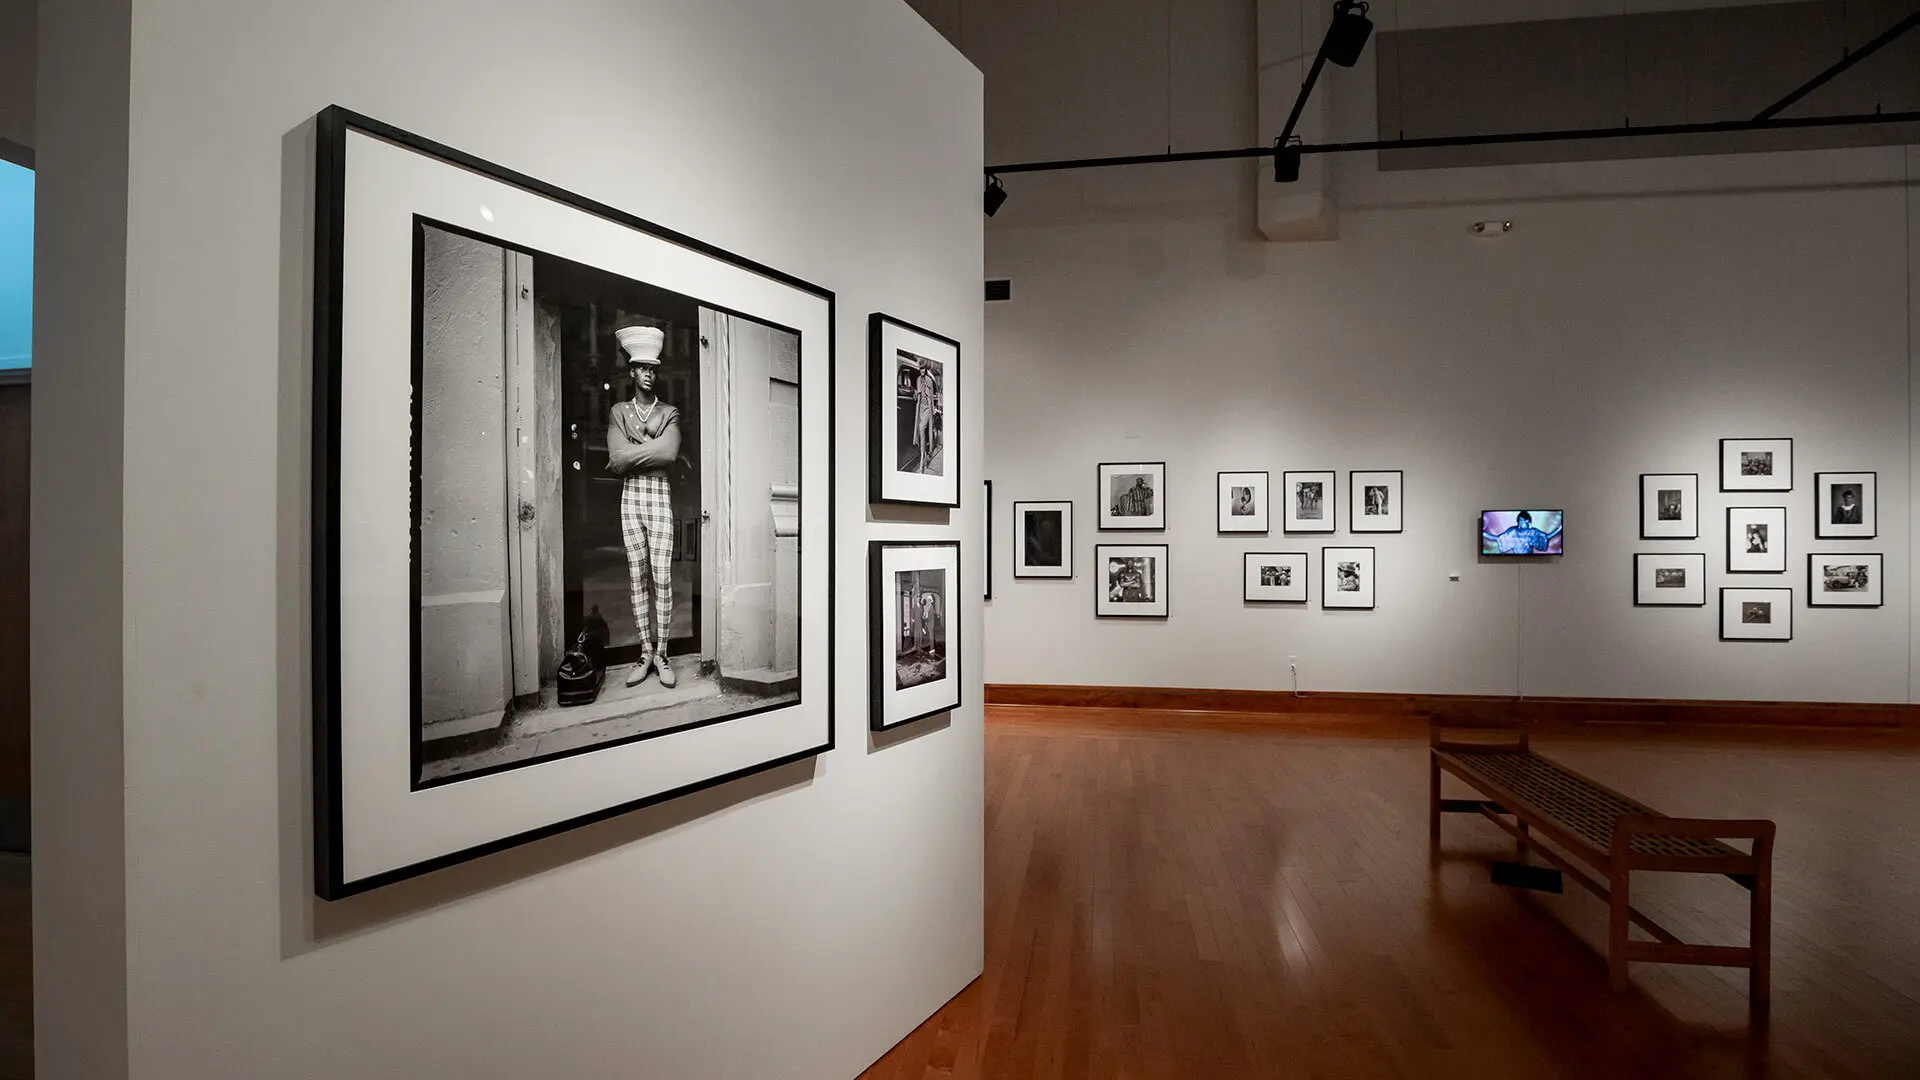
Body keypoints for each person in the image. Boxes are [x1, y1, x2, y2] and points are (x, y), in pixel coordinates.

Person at [607, 324, 682, 689]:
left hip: (659, 493)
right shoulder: (618, 410)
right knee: (637, 575)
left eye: (654, 368)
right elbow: (616, 463)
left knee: (662, 577)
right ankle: (645, 652)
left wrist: (632, 450)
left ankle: (663, 652)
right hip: (631, 496)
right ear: (631, 371)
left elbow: (669, 453)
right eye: (642, 368)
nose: (649, 374)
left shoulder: (669, 411)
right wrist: (645, 451)